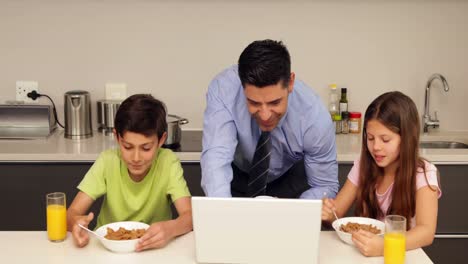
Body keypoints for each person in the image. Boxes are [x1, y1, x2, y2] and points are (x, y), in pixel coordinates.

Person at [201, 39, 338, 199]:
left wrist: (299, 210)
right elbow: (216, 161)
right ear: (242, 85)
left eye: (275, 102)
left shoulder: (314, 118)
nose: (265, 115)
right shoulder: (223, 91)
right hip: (237, 176)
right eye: (253, 102)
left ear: (291, 83)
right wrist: (224, 210)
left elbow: (324, 185)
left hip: (289, 179)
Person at [67, 94, 193, 251]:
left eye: (146, 148)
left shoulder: (168, 162)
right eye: (128, 147)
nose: (136, 158)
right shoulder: (108, 161)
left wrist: (170, 229)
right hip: (108, 249)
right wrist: (75, 223)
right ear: (117, 138)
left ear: (161, 140)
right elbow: (72, 213)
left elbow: (189, 217)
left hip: (153, 250)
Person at [322, 91, 441, 257]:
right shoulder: (363, 165)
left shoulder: (423, 173)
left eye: (385, 139)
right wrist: (327, 212)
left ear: (406, 138)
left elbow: (426, 232)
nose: (376, 147)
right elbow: (337, 213)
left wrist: (385, 245)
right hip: (362, 254)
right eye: (370, 138)